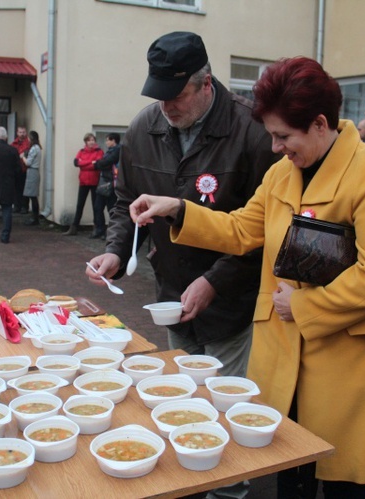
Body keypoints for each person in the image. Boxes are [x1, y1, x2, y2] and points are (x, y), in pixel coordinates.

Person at [129, 56, 365, 498]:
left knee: (341, 477)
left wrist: (305, 305)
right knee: (291, 466)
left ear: (321, 123)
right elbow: (241, 229)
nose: (274, 146)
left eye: (283, 135)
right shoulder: (281, 174)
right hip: (287, 350)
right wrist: (178, 208)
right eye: (270, 135)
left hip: (347, 355)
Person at [87, 31, 277, 380]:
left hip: (233, 306)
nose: (166, 107)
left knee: (224, 401)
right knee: (182, 397)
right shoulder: (143, 129)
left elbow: (266, 229)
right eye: (158, 96)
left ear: (206, 83)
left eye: (176, 96)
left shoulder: (253, 130)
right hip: (172, 296)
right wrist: (116, 251)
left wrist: (214, 281)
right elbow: (127, 201)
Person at [64, 133, 103, 236]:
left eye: (93, 140)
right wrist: (91, 162)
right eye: (89, 140)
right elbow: (76, 163)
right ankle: (74, 227)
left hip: (95, 182)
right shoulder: (81, 151)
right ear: (85, 142)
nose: (91, 142)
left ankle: (97, 227)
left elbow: (98, 165)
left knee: (96, 206)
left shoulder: (99, 151)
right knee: (79, 205)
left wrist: (84, 163)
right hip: (83, 181)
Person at [91, 132, 121, 239]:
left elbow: (107, 162)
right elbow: (103, 163)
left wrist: (98, 164)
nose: (106, 142)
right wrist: (100, 164)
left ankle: (111, 232)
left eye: (108, 140)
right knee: (98, 207)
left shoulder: (118, 150)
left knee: (111, 208)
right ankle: (100, 230)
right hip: (104, 182)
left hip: (111, 183)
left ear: (113, 141)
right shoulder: (109, 151)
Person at [21, 130, 41, 226]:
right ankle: (34, 217)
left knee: (33, 196)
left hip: (32, 171)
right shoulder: (38, 148)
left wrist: (23, 157)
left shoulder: (34, 148)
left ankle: (35, 218)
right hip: (34, 171)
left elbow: (28, 162)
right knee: (33, 196)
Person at [11, 126, 31, 214]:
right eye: (20, 132)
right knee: (16, 188)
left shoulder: (29, 143)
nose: (22, 134)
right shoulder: (14, 144)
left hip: (25, 169)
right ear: (17, 133)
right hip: (16, 169)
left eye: (23, 132)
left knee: (25, 189)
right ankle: (16, 206)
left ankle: (24, 207)